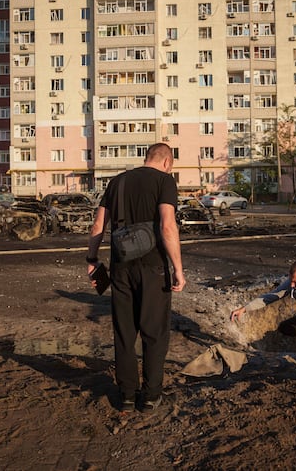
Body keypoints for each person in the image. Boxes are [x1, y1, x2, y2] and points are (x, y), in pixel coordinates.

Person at [86, 143, 185, 412]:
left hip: (121, 267)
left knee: (124, 332)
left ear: (147, 158)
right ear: (167, 162)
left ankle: (127, 395)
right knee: (154, 332)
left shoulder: (117, 182)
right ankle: (151, 396)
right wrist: (178, 268)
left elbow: (98, 226)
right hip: (153, 267)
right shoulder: (165, 182)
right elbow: (167, 225)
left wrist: (92, 260)